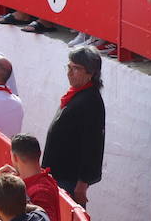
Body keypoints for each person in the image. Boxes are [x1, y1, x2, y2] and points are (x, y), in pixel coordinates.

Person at [42, 45, 105, 205]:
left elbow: (93, 145)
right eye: (69, 67)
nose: (69, 72)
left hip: (69, 179)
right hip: (60, 175)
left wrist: (82, 184)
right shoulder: (78, 94)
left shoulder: (90, 101)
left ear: (91, 73)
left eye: (76, 68)